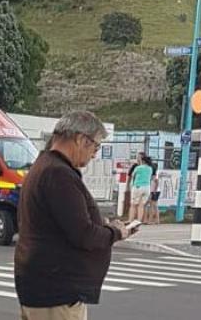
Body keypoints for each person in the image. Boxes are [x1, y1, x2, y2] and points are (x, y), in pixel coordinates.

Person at [15, 111, 136, 320]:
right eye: (96, 147)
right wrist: (115, 232)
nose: (94, 154)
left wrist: (101, 223)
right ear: (80, 139)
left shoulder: (45, 166)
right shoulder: (58, 174)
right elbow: (83, 234)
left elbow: (65, 222)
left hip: (42, 286)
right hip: (56, 292)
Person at [128, 152, 154, 224]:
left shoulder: (138, 168)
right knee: (141, 205)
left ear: (143, 161)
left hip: (138, 186)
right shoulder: (150, 168)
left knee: (133, 204)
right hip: (147, 187)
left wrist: (131, 185)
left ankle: (131, 219)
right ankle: (139, 220)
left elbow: (133, 176)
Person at [146, 159, 161, 224]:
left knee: (152, 205)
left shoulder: (155, 174)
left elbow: (157, 182)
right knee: (155, 205)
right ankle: (157, 220)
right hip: (155, 190)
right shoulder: (155, 173)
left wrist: (154, 190)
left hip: (154, 191)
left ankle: (150, 220)